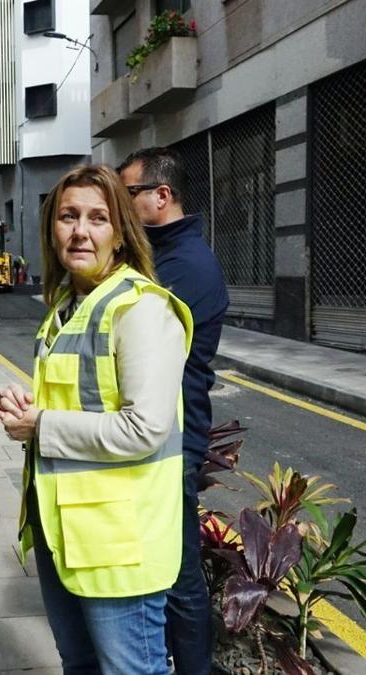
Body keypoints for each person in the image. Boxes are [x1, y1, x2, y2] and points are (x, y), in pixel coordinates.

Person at [0, 164, 193, 675]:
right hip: (66, 532)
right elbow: (75, 401)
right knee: (79, 665)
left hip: (120, 545)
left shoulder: (141, 310)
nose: (80, 230)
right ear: (51, 230)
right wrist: (25, 409)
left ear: (121, 234)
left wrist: (39, 425)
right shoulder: (68, 306)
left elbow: (144, 428)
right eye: (68, 216)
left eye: (98, 218)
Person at [118, 148, 229, 675]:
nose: (121, 203)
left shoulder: (186, 266)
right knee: (161, 563)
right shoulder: (157, 255)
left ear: (161, 196)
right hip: (155, 431)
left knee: (180, 573)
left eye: (128, 193)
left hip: (173, 438)